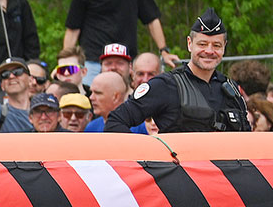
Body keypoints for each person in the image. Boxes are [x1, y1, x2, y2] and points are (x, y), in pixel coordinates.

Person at [105, 9, 251, 133]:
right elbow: (116, 122)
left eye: (216, 45)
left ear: (224, 47)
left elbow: (246, 140)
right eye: (202, 44)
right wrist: (148, 155)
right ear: (189, 44)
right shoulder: (165, 86)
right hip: (178, 166)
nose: (209, 51)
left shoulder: (231, 91)